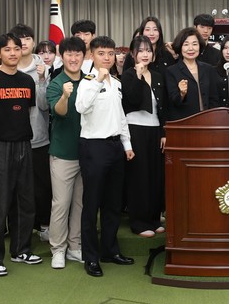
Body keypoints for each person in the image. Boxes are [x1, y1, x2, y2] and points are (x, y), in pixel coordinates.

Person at [0, 33, 42, 276]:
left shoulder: (27, 80)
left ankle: (20, 250)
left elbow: (28, 112)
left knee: (25, 201)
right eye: (7, 49)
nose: (13, 53)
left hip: (24, 144)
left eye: (16, 48)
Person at [75, 36, 136, 278]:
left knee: (113, 204)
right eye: (101, 53)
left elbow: (121, 116)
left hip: (115, 147)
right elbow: (81, 107)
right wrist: (97, 80)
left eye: (110, 53)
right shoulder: (87, 81)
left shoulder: (117, 82)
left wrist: (126, 144)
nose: (107, 58)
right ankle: (90, 257)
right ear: (91, 55)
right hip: (93, 148)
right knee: (92, 205)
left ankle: (110, 250)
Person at [46, 36, 87, 269]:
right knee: (61, 204)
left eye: (77, 54)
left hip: (87, 153)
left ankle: (74, 246)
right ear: (62, 56)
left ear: (84, 56)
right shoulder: (56, 83)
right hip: (63, 154)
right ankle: (58, 249)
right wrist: (64, 95)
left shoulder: (90, 81)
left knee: (80, 204)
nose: (73, 58)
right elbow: (59, 112)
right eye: (69, 54)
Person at [121, 35, 167, 237]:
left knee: (155, 176)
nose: (145, 54)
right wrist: (139, 76)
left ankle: (154, 219)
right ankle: (139, 222)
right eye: (140, 51)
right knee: (139, 177)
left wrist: (164, 131)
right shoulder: (128, 75)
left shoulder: (157, 75)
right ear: (133, 54)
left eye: (148, 50)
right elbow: (132, 99)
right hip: (135, 129)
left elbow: (163, 106)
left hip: (155, 130)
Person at [9, 23, 51, 243]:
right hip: (13, 139)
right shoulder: (6, 67)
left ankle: (44, 225)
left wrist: (42, 80)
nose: (23, 43)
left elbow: (45, 105)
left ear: (33, 42)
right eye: (19, 39)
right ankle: (18, 228)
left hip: (39, 137)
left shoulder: (43, 67)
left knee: (42, 187)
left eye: (27, 38)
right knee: (16, 188)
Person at [165, 27, 221, 121]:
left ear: (199, 46)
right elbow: (172, 102)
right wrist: (181, 93)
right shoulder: (172, 71)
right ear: (180, 47)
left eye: (194, 44)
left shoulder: (208, 69)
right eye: (186, 44)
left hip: (207, 121)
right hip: (184, 122)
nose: (191, 48)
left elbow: (214, 99)